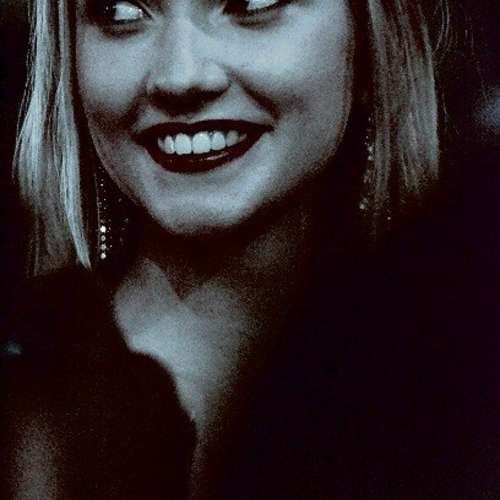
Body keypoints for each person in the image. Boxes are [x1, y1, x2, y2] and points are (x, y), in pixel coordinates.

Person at [1, 0, 458, 498]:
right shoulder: (24, 406)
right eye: (120, 10)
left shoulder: (465, 384)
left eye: (251, 4)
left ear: (372, 41)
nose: (180, 76)